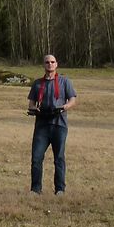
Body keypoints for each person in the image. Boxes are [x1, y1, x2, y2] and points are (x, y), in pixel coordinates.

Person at [28, 53, 77, 195]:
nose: (50, 64)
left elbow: (73, 99)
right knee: (36, 157)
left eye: (52, 62)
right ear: (43, 65)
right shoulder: (37, 83)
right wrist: (33, 109)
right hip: (42, 125)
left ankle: (60, 189)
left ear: (57, 64)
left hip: (59, 125)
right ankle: (35, 189)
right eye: (47, 62)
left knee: (59, 158)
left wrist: (64, 107)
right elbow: (31, 102)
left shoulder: (65, 82)